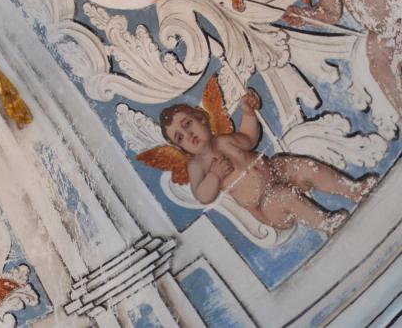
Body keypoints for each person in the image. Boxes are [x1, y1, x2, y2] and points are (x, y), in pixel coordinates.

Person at [160, 88, 376, 235]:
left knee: (301, 166)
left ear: (202, 119)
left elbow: (249, 138)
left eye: (188, 124)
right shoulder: (197, 165)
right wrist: (215, 176)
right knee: (284, 195)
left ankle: (353, 189)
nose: (188, 135)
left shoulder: (224, 140)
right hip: (264, 204)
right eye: (180, 137)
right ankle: (324, 222)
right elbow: (203, 195)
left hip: (274, 171)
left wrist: (248, 112)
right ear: (181, 148)